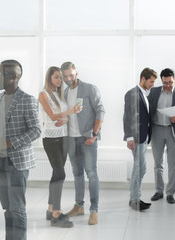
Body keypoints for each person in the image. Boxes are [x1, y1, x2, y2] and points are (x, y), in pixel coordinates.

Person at [0, 60, 41, 240]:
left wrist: (10, 142)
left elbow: (36, 130)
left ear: (14, 77)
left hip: (18, 162)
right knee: (7, 207)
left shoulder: (28, 100)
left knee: (17, 208)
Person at [60, 62, 105, 225]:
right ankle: (79, 206)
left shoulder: (89, 88)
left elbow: (100, 110)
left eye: (71, 75)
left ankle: (94, 210)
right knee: (77, 173)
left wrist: (94, 134)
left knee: (91, 173)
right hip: (71, 138)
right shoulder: (64, 92)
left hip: (88, 138)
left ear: (76, 73)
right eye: (65, 76)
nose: (68, 78)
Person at [38, 66, 82, 228]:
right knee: (60, 173)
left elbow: (61, 117)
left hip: (64, 138)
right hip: (51, 139)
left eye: (60, 78)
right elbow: (51, 115)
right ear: (49, 78)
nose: (59, 80)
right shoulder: (43, 94)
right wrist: (69, 112)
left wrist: (65, 119)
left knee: (57, 174)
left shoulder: (60, 95)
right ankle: (57, 213)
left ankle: (50, 209)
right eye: (56, 77)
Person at [148, 68, 175, 204]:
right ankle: (159, 191)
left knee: (173, 165)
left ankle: (170, 193)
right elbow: (147, 108)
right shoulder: (154, 92)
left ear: (174, 79)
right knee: (158, 164)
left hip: (172, 131)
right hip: (157, 130)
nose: (168, 85)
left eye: (170, 82)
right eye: (165, 83)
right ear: (161, 81)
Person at [123, 67, 157, 211]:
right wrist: (130, 137)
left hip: (143, 136)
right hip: (136, 137)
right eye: (151, 81)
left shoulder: (144, 94)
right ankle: (134, 200)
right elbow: (128, 116)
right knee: (138, 168)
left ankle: (135, 197)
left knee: (141, 168)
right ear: (143, 79)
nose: (153, 85)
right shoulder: (132, 94)